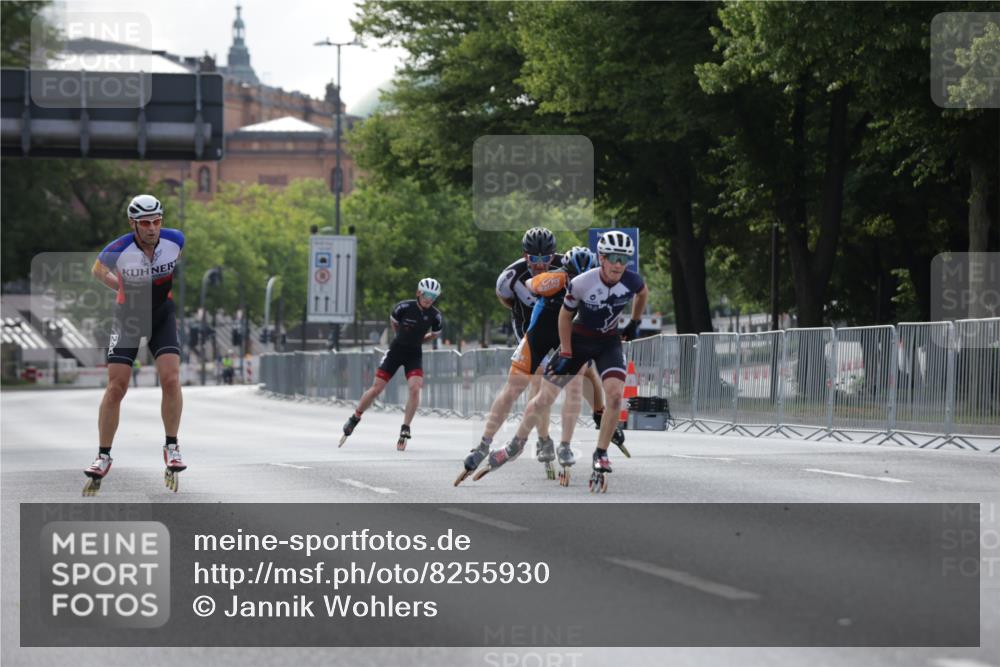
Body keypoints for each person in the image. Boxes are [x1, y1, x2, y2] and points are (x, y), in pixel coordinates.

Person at [475, 231, 648, 493]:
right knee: (534, 391)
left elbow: (641, 293)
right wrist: (565, 349)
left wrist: (635, 322)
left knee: (595, 385)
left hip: (595, 339)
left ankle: (597, 438)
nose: (617, 265)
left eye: (623, 260)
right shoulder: (563, 281)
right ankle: (516, 442)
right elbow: (549, 309)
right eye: (612, 258)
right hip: (555, 336)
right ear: (602, 259)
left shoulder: (623, 279)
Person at [455, 246, 611, 486]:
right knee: (514, 387)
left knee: (578, 381)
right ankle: (483, 444)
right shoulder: (551, 280)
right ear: (564, 274)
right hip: (537, 337)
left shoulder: (597, 290)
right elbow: (526, 289)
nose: (578, 283)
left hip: (566, 340)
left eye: (584, 278)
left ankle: (566, 444)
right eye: (572, 278)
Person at [84, 194, 187, 495]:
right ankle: (103, 455)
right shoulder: (118, 249)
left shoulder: (175, 241)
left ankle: (172, 446)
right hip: (128, 315)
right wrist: (122, 287)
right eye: (145, 223)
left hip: (161, 315)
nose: (152, 228)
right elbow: (96, 271)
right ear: (133, 224)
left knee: (170, 378)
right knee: (117, 386)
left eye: (157, 221)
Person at [340, 278, 444, 451]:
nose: (429, 299)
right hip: (396, 351)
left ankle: (405, 427)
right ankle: (355, 416)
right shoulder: (403, 307)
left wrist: (419, 340)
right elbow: (394, 323)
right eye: (426, 295)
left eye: (433, 297)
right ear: (419, 293)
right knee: (377, 389)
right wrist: (401, 336)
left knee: (415, 388)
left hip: (414, 354)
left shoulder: (435, 315)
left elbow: (435, 334)